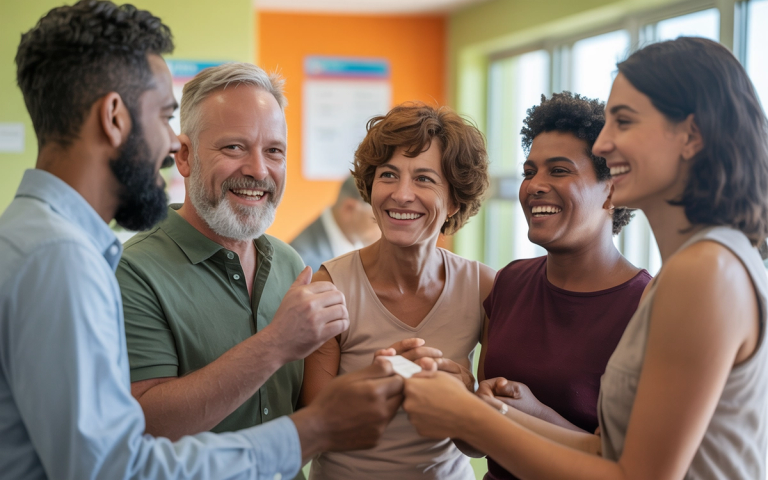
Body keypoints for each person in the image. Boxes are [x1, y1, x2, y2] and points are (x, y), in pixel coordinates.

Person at [0, 2, 404, 479]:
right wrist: (304, 418)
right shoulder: (65, 259)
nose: (171, 144)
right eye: (164, 117)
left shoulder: (292, 263)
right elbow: (113, 464)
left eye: (274, 150)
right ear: (114, 117)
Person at [403, 37, 768, 480]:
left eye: (625, 122)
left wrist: (469, 417)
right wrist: (479, 407)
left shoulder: (704, 270)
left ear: (691, 136)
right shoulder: (703, 264)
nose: (604, 144)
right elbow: (607, 453)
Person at [116, 63, 351, 470]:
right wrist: (275, 344)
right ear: (184, 156)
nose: (259, 170)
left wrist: (387, 373)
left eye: (274, 150)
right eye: (234, 148)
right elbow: (146, 426)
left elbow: (308, 417)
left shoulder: (289, 263)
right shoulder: (133, 272)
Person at [302, 102, 495, 479]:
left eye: (424, 179)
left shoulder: (484, 288)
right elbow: (316, 431)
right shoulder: (330, 286)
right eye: (389, 175)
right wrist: (374, 382)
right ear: (370, 187)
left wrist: (464, 403)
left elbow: (482, 444)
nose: (401, 194)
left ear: (454, 199)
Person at [475, 92, 651, 480]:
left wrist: (534, 414)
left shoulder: (646, 306)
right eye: (528, 172)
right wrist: (458, 395)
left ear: (612, 190)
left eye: (558, 170)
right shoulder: (510, 282)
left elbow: (630, 467)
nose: (534, 185)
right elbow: (475, 439)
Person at [291, 175, 381, 272]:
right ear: (349, 209)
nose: (386, 228)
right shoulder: (300, 263)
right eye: (379, 219)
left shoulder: (359, 241)